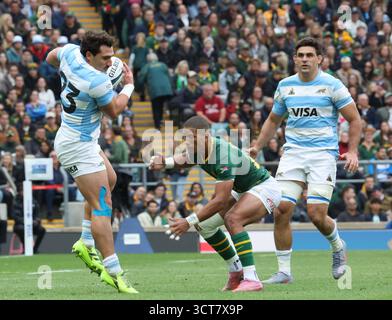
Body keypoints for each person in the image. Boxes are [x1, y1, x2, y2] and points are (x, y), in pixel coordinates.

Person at [249, 37, 362, 284]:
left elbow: (355, 119)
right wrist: (257, 145)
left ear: (320, 59)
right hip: (293, 154)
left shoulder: (333, 85)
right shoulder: (285, 86)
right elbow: (273, 120)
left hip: (323, 156)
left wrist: (352, 151)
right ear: (294, 59)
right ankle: (284, 272)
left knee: (316, 213)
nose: (304, 59)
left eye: (310, 55)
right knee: (281, 209)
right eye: (300, 55)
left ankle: (338, 245)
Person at [46, 30, 137, 294]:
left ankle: (85, 241)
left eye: (112, 56)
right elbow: (114, 110)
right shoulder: (97, 81)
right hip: (78, 146)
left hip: (78, 138)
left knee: (111, 179)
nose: (110, 63)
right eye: (105, 58)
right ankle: (115, 272)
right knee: (102, 204)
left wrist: (66, 75)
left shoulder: (69, 52)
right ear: (89, 55)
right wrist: (128, 84)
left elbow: (51, 57)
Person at [149, 115, 281, 292]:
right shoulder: (200, 147)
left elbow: (219, 201)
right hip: (243, 188)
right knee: (204, 225)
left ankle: (252, 279)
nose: (188, 142)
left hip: (264, 187)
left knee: (233, 219)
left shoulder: (223, 156)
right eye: (186, 138)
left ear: (206, 136)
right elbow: (187, 159)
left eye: (192, 138)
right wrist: (165, 162)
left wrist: (188, 221)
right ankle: (236, 271)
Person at [12, 184, 46, 254]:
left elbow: (37, 214)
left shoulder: (33, 201)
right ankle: (26, 248)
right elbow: (15, 217)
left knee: (42, 230)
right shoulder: (16, 201)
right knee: (21, 229)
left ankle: (34, 249)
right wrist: (25, 222)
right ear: (20, 192)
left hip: (32, 225)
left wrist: (36, 221)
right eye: (23, 191)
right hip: (20, 225)